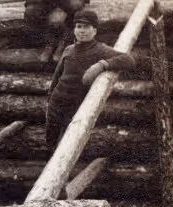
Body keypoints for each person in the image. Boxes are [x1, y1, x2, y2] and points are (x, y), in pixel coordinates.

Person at [46, 9, 135, 151]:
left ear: (94, 30)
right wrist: (50, 98)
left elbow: (128, 60)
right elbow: (57, 76)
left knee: (67, 144)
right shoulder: (69, 49)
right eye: (78, 26)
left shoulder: (100, 49)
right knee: (50, 141)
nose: (82, 31)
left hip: (75, 107)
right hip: (56, 104)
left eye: (86, 27)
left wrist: (102, 65)